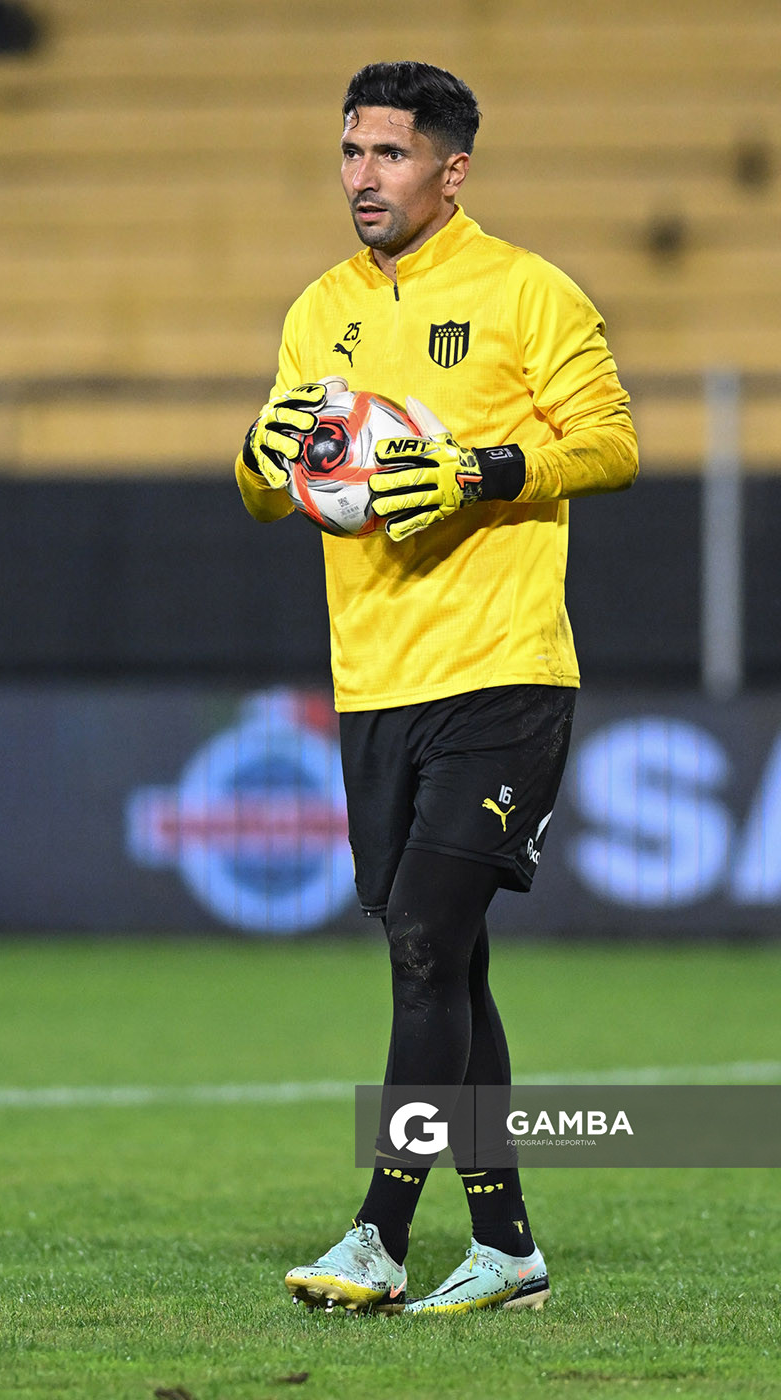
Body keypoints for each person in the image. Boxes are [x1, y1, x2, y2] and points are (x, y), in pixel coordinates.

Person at [235, 60, 638, 1315]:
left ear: (451, 169)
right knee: (448, 965)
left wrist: (480, 469)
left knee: (422, 943)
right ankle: (510, 1248)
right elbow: (281, 475)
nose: (364, 176)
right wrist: (254, 465)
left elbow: (611, 442)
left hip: (506, 672)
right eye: (352, 152)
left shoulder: (527, 292)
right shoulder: (318, 311)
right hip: (378, 682)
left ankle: (377, 1233)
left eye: (391, 155)